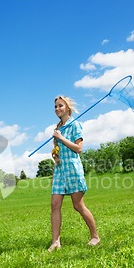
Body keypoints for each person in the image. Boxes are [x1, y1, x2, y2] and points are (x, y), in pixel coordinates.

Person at [48, 95, 100, 252]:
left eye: (60, 106)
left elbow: (78, 149)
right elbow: (59, 151)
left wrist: (61, 138)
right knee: (54, 205)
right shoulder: (57, 128)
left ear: (68, 108)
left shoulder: (75, 125)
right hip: (60, 170)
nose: (57, 109)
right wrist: (56, 155)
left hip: (72, 169)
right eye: (56, 106)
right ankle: (55, 241)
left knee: (78, 205)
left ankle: (95, 236)